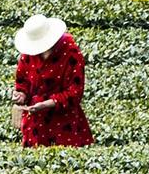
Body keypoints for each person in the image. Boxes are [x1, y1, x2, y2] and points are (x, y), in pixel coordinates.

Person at [13, 15, 93, 147]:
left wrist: (47, 104)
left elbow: (75, 91)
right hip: (36, 123)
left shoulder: (70, 51)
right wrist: (21, 95)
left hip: (64, 121)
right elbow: (22, 82)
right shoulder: (28, 53)